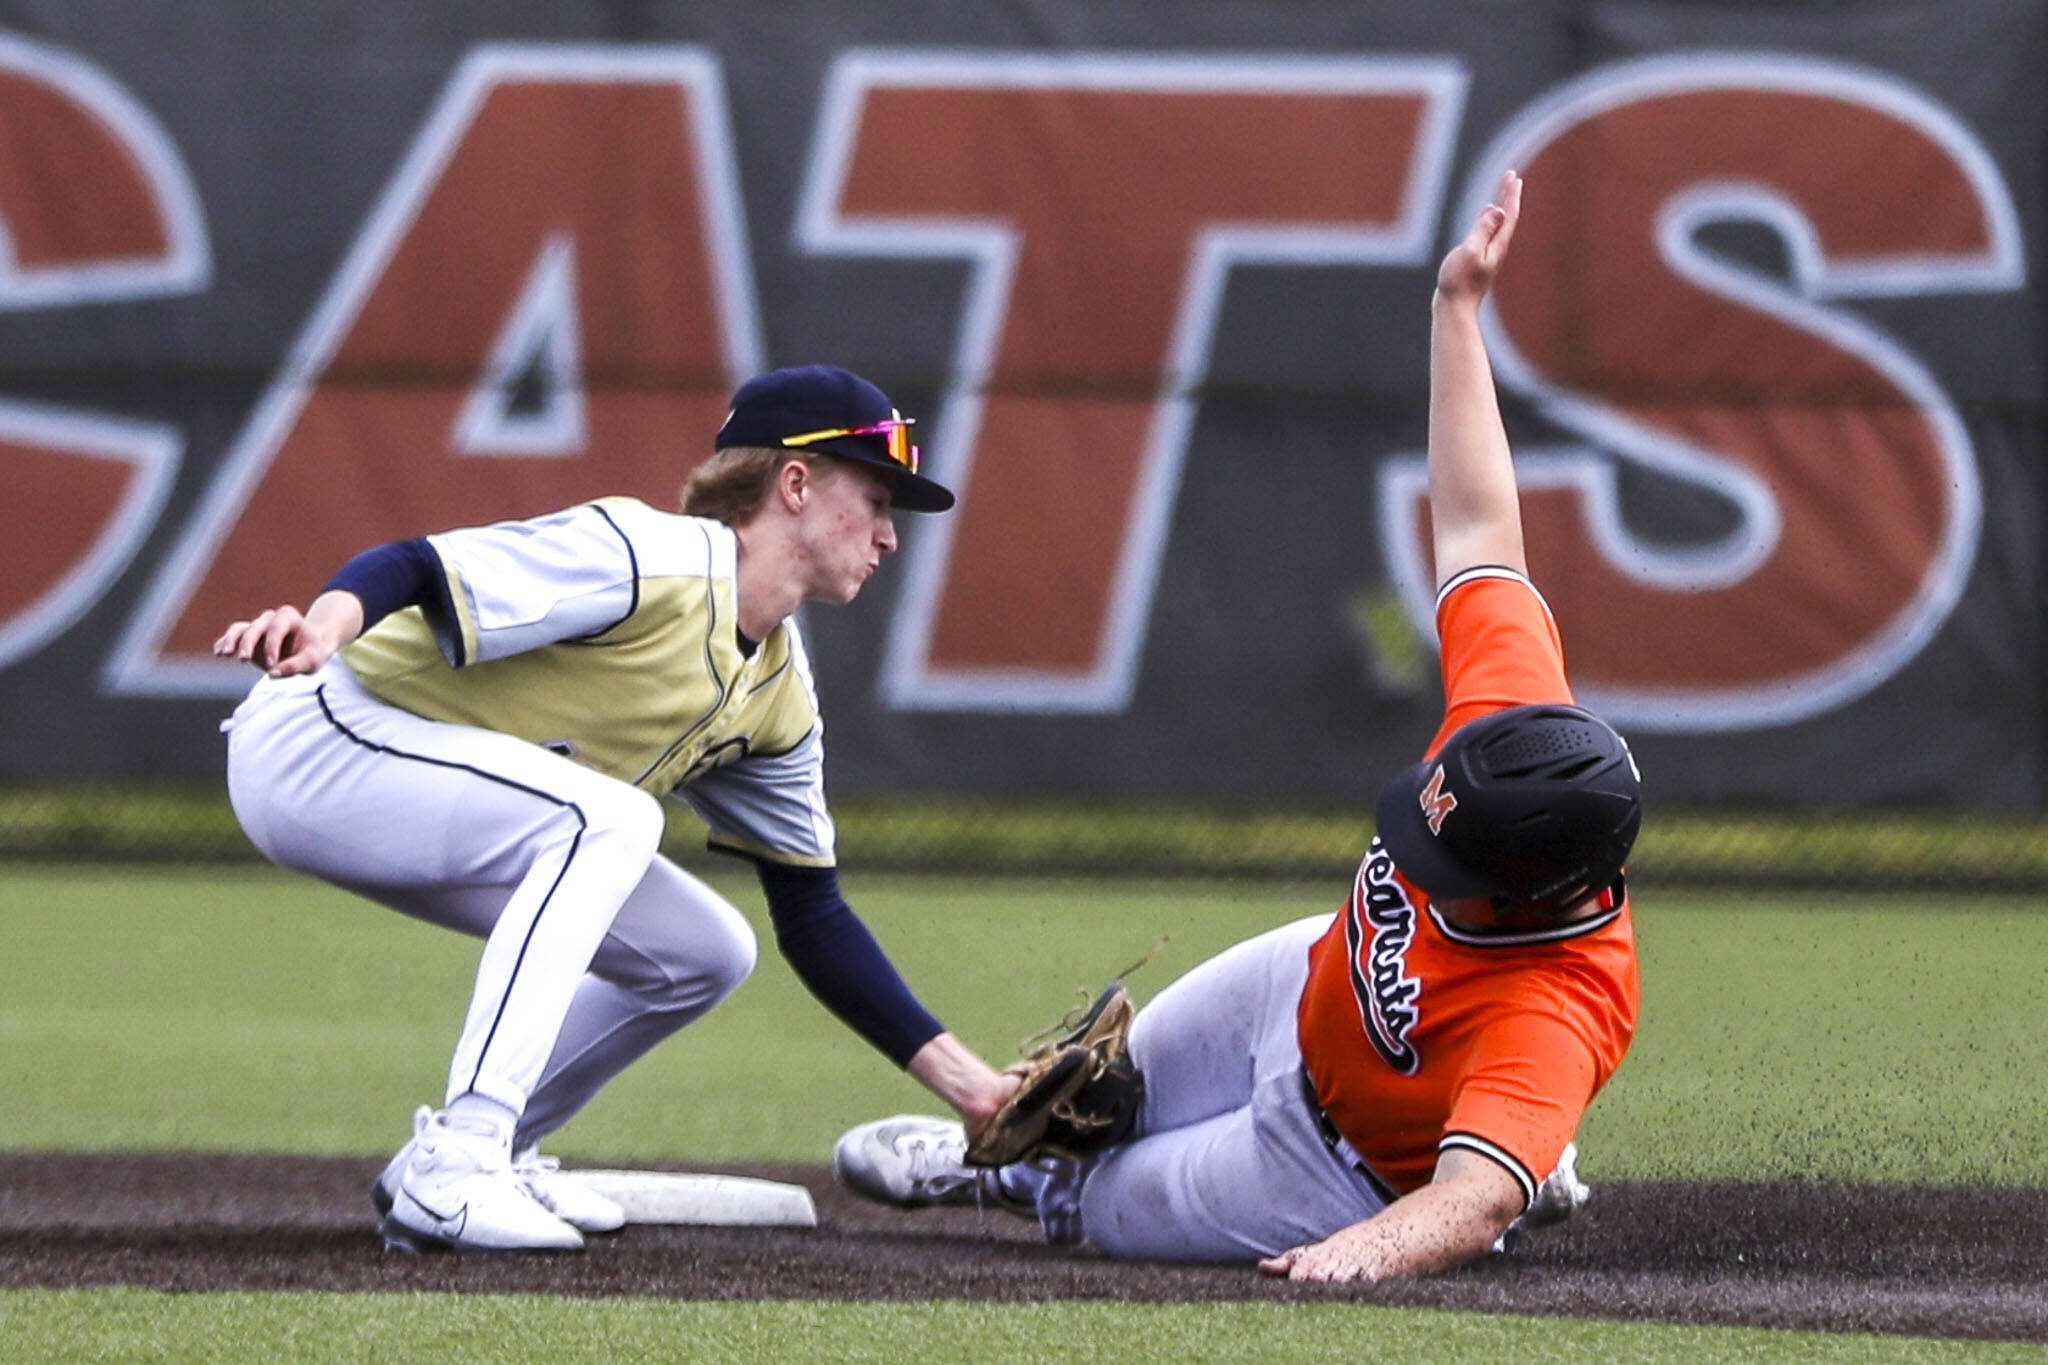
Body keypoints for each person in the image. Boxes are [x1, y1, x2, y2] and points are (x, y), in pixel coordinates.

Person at [833, 171, 1644, 1283]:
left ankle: (1017, 1183)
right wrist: (1453, 313)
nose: (1418, 846)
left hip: (1337, 1166)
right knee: (1096, 1090)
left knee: (1099, 1207)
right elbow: (1470, 522)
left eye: (1449, 855)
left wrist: (1361, 1250)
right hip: (1299, 985)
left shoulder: (1558, 1004)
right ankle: (1512, 1149)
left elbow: (1452, 1210)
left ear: (1532, 889)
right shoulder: (1507, 723)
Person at [215, 364, 1017, 1253]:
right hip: (319, 736)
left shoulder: (780, 695)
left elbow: (813, 915)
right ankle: (463, 1159)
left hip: (418, 791)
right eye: (877, 496)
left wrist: (975, 1091)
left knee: (706, 951)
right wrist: (324, 627)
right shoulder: (652, 555)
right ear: (796, 482)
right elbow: (414, 565)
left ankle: (482, 1150)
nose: (889, 535)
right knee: (611, 821)